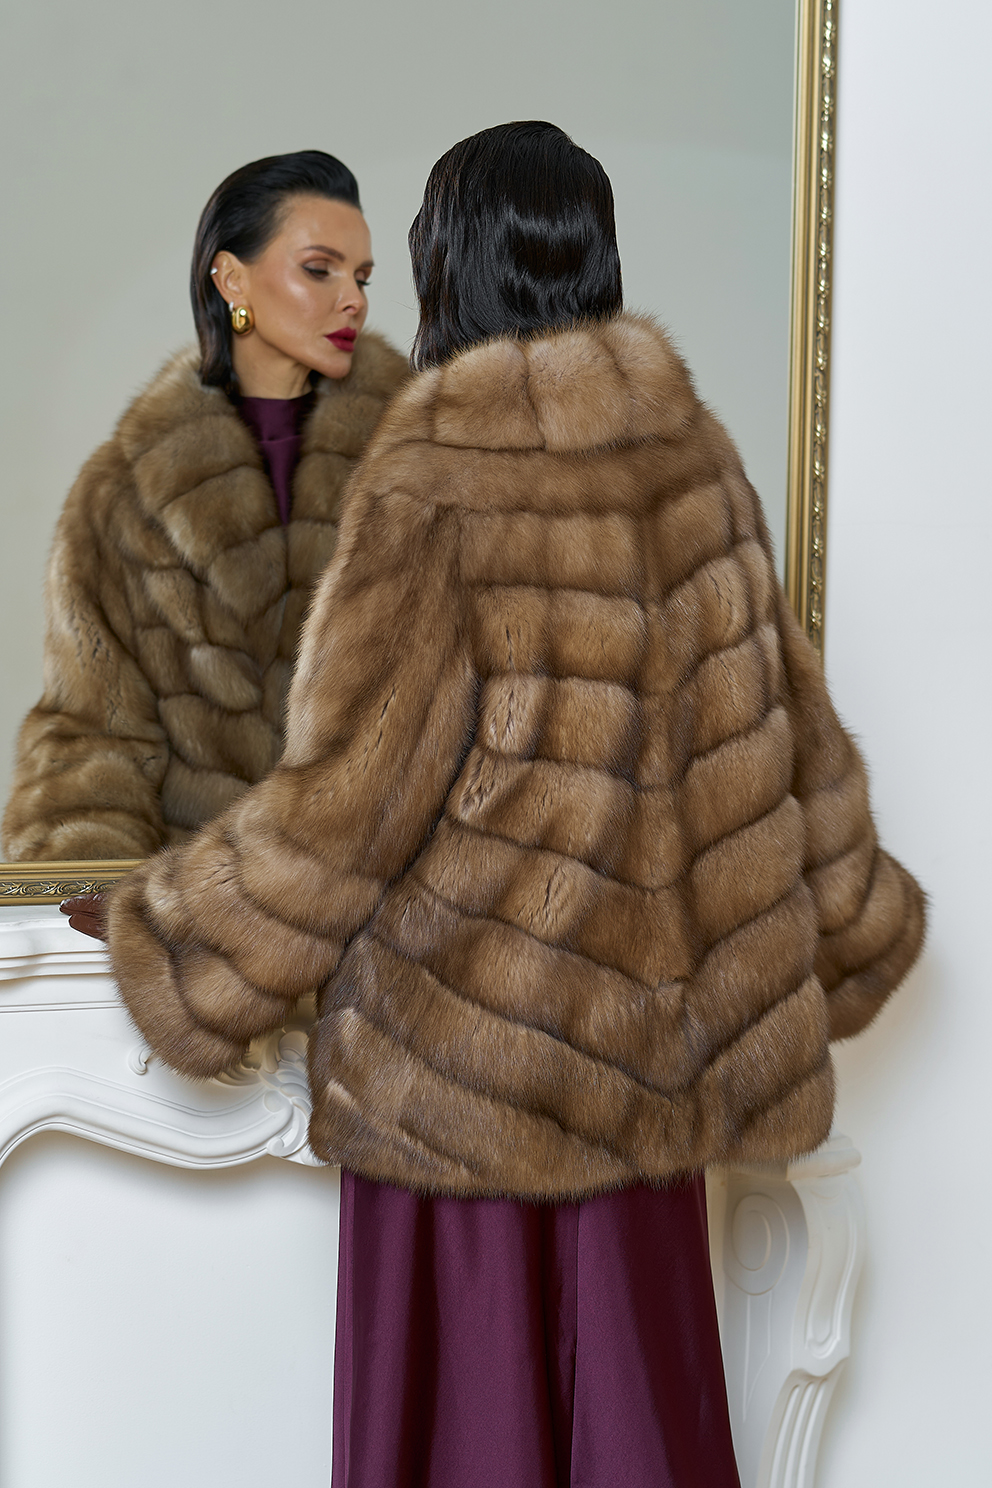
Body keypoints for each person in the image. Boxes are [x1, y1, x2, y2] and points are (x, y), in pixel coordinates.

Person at [104, 123, 925, 1487]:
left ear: (451, 264)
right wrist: (847, 927)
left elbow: (350, 799)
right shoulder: (698, 467)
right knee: (641, 1443)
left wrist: (186, 941)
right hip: (646, 1086)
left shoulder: (436, 476)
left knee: (458, 1445)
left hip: (456, 1100)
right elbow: (790, 741)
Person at [2, 149, 406, 866]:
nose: (354, 299)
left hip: (384, 909)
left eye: (362, 277)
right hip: (191, 908)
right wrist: (92, 895)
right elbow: (93, 735)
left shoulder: (423, 465)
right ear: (231, 279)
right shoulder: (123, 496)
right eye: (321, 269)